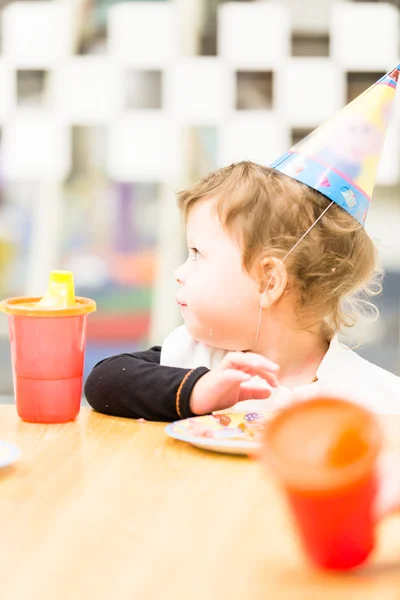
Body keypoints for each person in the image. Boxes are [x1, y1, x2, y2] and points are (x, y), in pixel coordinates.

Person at [84, 66, 400, 421]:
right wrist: (197, 391)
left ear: (270, 281)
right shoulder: (196, 358)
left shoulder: (373, 400)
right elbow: (103, 382)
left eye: (197, 255)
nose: (178, 273)